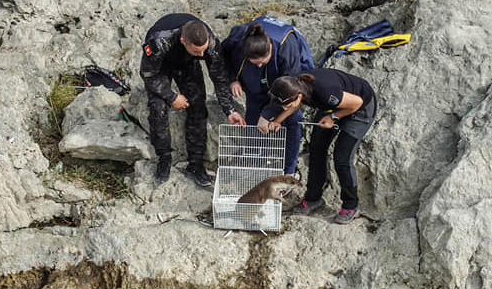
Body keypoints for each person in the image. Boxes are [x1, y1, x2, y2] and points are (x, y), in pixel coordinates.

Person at [139, 13, 245, 186]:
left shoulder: (209, 44)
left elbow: (219, 78)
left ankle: (195, 164)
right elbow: (148, 74)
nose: (202, 54)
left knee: (197, 106)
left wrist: (229, 110)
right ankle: (164, 158)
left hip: (187, 63)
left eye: (203, 50)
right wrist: (172, 96)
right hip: (160, 67)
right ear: (183, 41)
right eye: (198, 51)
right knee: (158, 109)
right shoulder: (160, 41)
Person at [265, 68, 376, 224]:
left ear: (299, 96)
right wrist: (278, 120)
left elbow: (356, 103)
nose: (285, 108)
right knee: (316, 148)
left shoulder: (325, 91)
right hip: (334, 106)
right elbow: (292, 104)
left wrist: (333, 117)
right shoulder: (296, 86)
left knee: (342, 157)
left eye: (285, 105)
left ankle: (351, 204)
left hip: (360, 107)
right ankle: (313, 198)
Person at [221, 16, 314, 175]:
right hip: (256, 84)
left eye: (262, 62)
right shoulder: (238, 38)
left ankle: (289, 171)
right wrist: (233, 79)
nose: (258, 64)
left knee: (292, 119)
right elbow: (222, 54)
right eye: (254, 62)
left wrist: (269, 114)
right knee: (253, 119)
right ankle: (255, 161)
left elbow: (291, 88)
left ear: (270, 48)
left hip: (287, 83)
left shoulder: (286, 46)